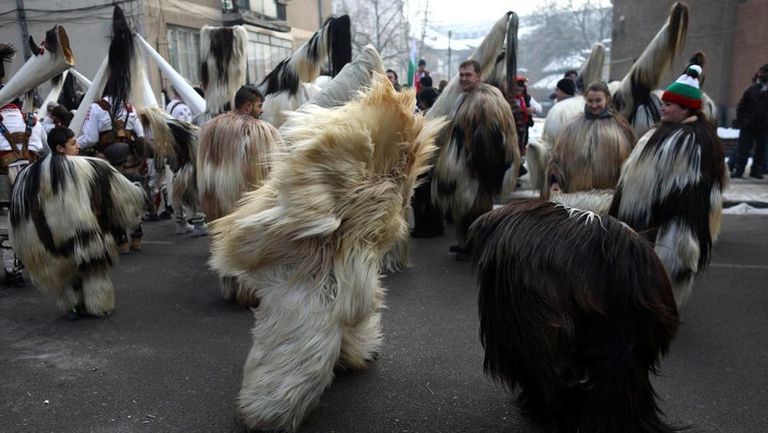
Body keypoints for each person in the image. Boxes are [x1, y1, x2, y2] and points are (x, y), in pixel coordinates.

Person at [609, 65, 726, 307]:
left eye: (669, 104)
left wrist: (657, 227)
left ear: (685, 109)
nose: (662, 106)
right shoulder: (669, 132)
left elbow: (683, 197)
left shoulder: (691, 141)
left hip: (664, 229)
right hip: (644, 223)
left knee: (657, 286)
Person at [10, 125, 144, 319]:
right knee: (93, 267)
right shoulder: (88, 166)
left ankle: (73, 305)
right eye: (73, 143)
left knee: (66, 270)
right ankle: (98, 304)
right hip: (86, 232)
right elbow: (126, 194)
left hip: (52, 237)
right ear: (60, 149)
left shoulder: (30, 174)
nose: (78, 146)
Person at [197, 84, 283, 305]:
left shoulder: (209, 129)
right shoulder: (260, 131)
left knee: (223, 240)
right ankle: (249, 292)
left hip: (216, 198)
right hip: (245, 197)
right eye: (259, 105)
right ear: (247, 106)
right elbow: (271, 170)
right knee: (248, 242)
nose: (261, 110)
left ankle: (230, 287)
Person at [432, 59, 519, 260]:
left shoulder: (486, 100)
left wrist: (480, 167)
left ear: (479, 76)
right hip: (467, 163)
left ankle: (477, 247)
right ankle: (466, 242)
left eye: (468, 75)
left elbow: (491, 137)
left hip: (481, 166)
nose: (464, 79)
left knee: (477, 206)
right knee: (465, 205)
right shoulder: (465, 98)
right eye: (461, 75)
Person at [77, 86, 149, 254]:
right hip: (131, 159)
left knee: (113, 199)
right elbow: (140, 136)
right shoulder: (129, 108)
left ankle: (121, 240)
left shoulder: (96, 107)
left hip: (109, 161)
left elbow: (91, 138)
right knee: (133, 195)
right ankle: (137, 237)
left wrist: (74, 141)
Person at [544, 81, 635, 199]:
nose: (594, 105)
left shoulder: (621, 127)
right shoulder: (571, 127)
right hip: (576, 196)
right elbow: (557, 158)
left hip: (608, 198)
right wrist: (554, 182)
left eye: (598, 100)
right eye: (590, 101)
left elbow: (631, 161)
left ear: (607, 99)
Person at [731, 63, 768, 179]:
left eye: (764, 72)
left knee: (760, 150)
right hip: (748, 126)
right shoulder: (752, 89)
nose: (761, 74)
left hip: (764, 127)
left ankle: (755, 171)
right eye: (760, 72)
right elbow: (741, 106)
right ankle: (739, 170)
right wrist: (741, 120)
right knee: (743, 149)